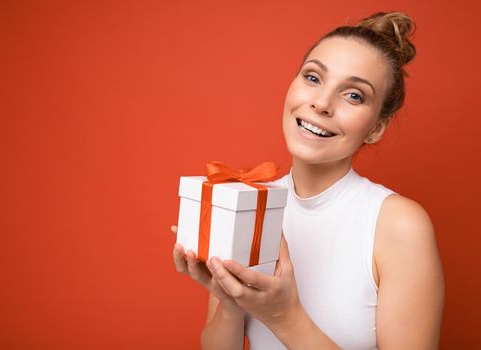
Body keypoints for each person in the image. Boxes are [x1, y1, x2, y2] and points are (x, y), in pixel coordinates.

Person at [172, 11, 445, 350]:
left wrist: (284, 316)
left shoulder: (399, 225)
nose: (321, 103)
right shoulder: (252, 203)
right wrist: (228, 298)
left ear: (376, 128)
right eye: (313, 78)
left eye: (354, 95)